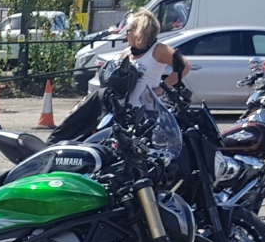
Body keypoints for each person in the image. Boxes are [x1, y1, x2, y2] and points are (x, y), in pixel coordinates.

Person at [49, 8, 189, 143]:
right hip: (122, 112)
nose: (125, 34)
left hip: (144, 112)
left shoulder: (158, 49)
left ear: (139, 32)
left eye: (129, 30)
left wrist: (161, 89)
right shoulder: (126, 52)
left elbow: (185, 66)